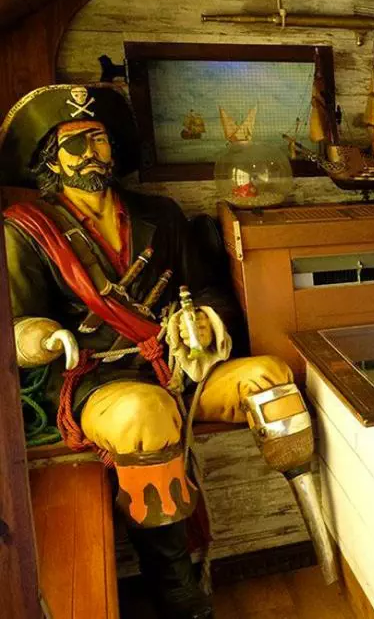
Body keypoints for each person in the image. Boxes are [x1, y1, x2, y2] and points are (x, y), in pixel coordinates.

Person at [0, 84, 313, 619]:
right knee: (146, 414)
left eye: (98, 140)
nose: (91, 154)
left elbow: (212, 290)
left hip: (178, 364)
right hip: (97, 382)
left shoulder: (160, 215)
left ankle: (316, 528)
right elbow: (15, 324)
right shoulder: (26, 231)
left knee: (270, 377)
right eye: (75, 144)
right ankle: (178, 590)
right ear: (50, 159)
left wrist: (204, 321)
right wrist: (44, 339)